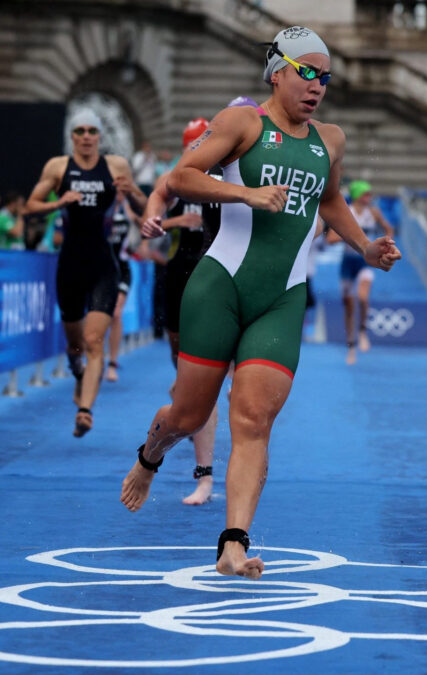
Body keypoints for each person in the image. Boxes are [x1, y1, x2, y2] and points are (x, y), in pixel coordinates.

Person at [120, 26, 401, 579]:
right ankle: (151, 453)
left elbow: (331, 200)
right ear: (278, 72)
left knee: (253, 418)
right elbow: (182, 177)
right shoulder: (242, 123)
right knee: (190, 414)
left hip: (282, 299)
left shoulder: (331, 140)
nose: (318, 85)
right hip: (219, 286)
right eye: (308, 72)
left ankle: (232, 543)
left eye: (326, 76)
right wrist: (244, 193)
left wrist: (366, 246)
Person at [25, 110, 147, 436]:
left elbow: (144, 209)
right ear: (73, 136)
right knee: (76, 344)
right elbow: (30, 206)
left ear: (99, 136)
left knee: (95, 341)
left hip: (102, 265)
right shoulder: (58, 167)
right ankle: (77, 371)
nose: (87, 136)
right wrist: (57, 202)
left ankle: (85, 410)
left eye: (92, 130)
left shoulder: (116, 166)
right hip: (69, 265)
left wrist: (133, 190)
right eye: (80, 130)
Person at [138, 116, 228, 506]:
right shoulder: (179, 172)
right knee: (188, 386)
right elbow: (155, 201)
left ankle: (208, 477)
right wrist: (163, 220)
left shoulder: (230, 172)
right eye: (190, 143)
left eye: (201, 142)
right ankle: (196, 466)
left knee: (233, 394)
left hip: (221, 277)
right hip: (182, 275)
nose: (196, 149)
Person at [326, 179, 394, 364]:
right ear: (357, 196)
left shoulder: (374, 213)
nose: (369, 197)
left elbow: (389, 229)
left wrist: (388, 244)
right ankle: (351, 346)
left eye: (370, 194)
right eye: (365, 194)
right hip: (348, 262)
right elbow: (330, 239)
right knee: (348, 304)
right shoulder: (346, 213)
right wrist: (349, 237)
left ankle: (363, 330)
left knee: (362, 297)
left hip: (365, 262)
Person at [105, 188, 138, 383]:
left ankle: (112, 363)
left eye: (121, 191)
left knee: (116, 314)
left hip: (122, 271)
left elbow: (141, 229)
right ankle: (92, 356)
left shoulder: (127, 211)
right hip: (101, 270)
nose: (118, 193)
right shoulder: (102, 209)